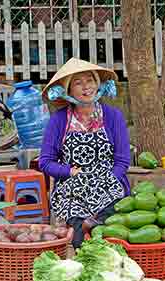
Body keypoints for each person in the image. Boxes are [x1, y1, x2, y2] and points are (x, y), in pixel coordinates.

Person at [39, 58, 131, 248]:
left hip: (109, 184)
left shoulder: (113, 116)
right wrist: (70, 172)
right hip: (72, 188)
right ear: (68, 90)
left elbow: (122, 161)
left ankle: (97, 226)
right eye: (78, 83)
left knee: (111, 227)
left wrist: (104, 181)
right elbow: (46, 162)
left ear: (98, 84)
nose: (86, 87)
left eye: (90, 80)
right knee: (79, 234)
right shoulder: (58, 120)